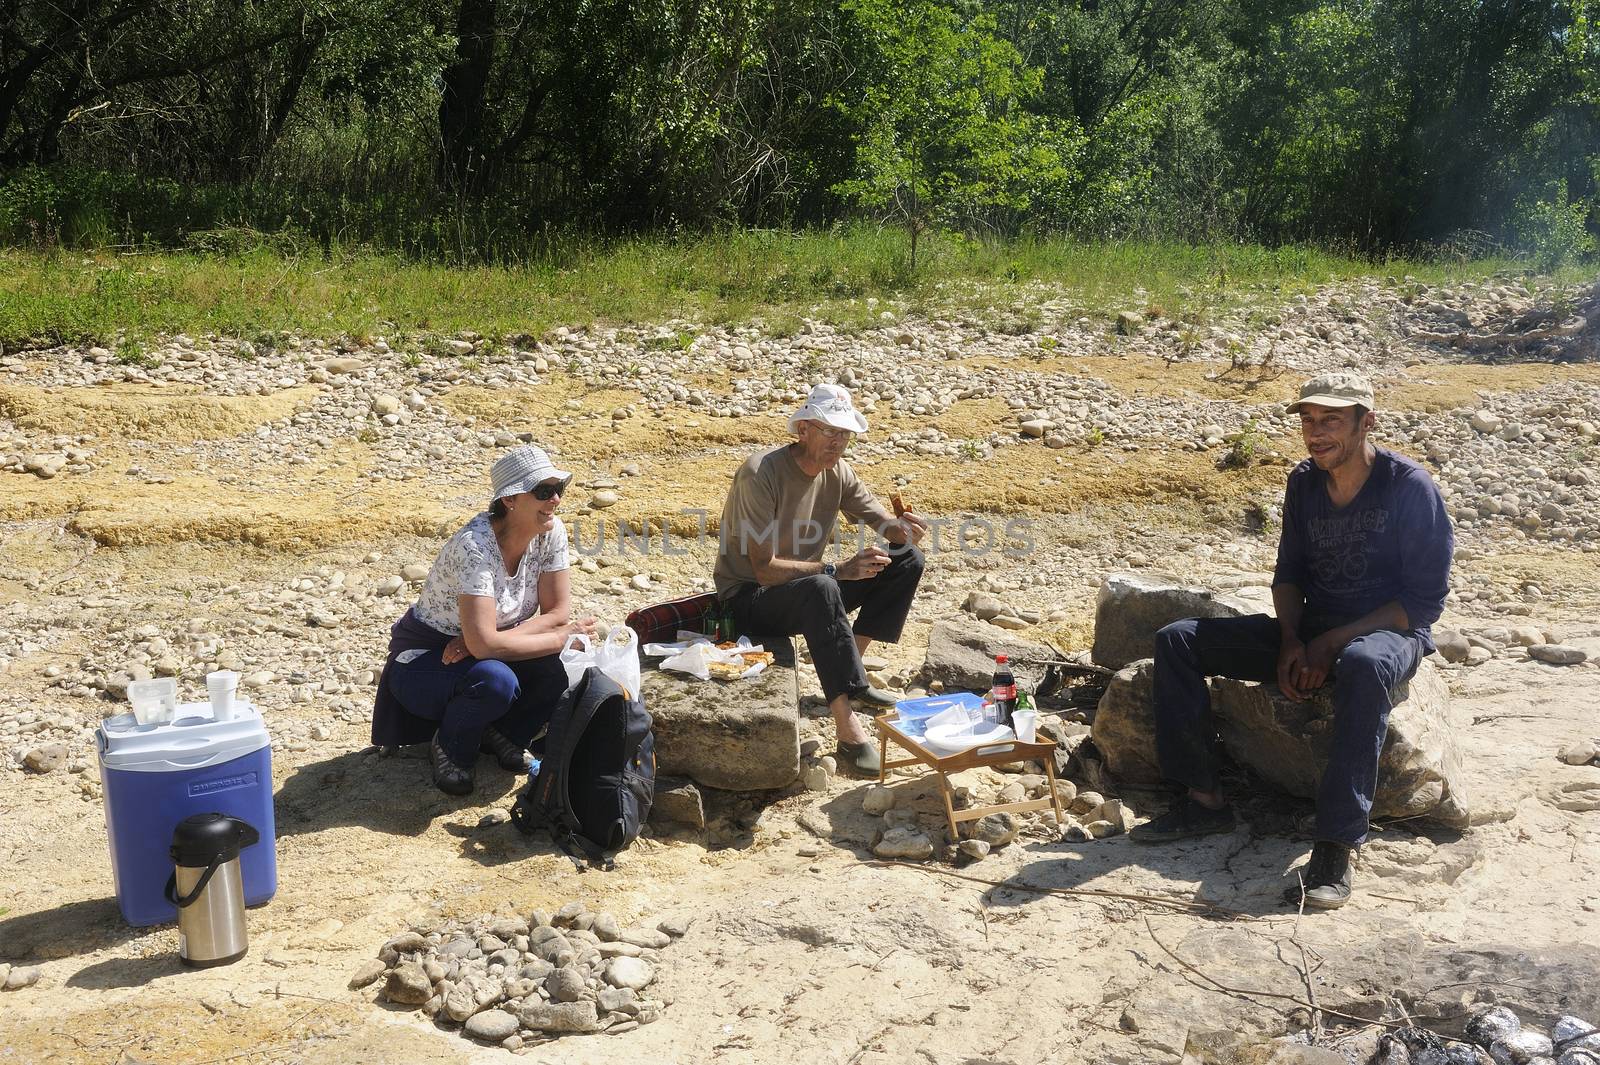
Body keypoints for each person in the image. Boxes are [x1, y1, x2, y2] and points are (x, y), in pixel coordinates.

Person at [1128, 372, 1454, 910]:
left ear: (1366, 422)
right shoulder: (1304, 482)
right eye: (1308, 419)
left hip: (1387, 631)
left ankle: (1334, 845)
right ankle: (1204, 799)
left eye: (1332, 420)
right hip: (1311, 627)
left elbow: (1422, 602)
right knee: (1178, 639)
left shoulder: (1408, 486)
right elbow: (1289, 575)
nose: (1316, 432)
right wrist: (1290, 641)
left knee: (1365, 666)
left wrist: (1329, 644)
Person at [713, 383, 930, 773]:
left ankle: (852, 673)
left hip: (809, 591)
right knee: (824, 584)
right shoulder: (759, 473)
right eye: (830, 431)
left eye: (845, 434)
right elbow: (764, 569)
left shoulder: (838, 472)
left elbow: (881, 521)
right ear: (803, 431)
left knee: (907, 559)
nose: (839, 442)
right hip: (749, 598)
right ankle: (848, 731)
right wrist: (838, 569)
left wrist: (902, 530)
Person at [372, 445, 596, 795]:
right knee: (495, 681)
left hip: (480, 648)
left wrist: (484, 642)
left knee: (557, 673)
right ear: (509, 500)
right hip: (425, 659)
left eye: (558, 490)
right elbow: (534, 632)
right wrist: (561, 639)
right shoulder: (474, 546)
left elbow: (557, 613)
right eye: (542, 491)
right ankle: (450, 748)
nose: (554, 500)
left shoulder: (551, 531)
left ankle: (502, 737)